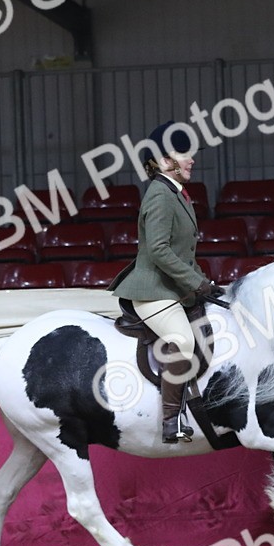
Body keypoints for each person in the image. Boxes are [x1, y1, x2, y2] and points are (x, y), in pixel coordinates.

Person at [108, 122, 224, 443]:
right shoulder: (160, 195)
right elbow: (159, 250)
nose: (192, 160)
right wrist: (195, 282)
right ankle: (171, 420)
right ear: (163, 160)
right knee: (183, 341)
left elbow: (183, 252)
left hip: (172, 288)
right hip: (153, 290)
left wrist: (204, 283)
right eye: (184, 154)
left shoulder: (175, 193)